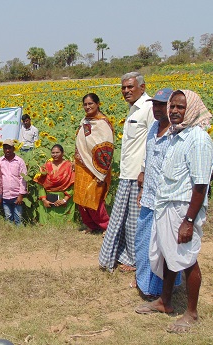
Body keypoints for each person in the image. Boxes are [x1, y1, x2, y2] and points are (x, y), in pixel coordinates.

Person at [135, 90, 213, 334]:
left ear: (191, 109)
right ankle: (165, 302)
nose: (175, 111)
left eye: (180, 107)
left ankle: (191, 313)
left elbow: (200, 185)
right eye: (173, 107)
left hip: (182, 207)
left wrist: (189, 220)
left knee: (187, 258)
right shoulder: (176, 134)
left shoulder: (198, 139)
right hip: (166, 204)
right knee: (169, 254)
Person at [99, 72, 154, 272]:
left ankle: (135, 260)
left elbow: (152, 142)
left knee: (134, 221)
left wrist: (144, 171)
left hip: (137, 175)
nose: (126, 91)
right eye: (123, 88)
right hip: (127, 173)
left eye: (130, 87)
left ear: (142, 87)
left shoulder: (148, 108)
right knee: (125, 218)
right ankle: (126, 256)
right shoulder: (133, 109)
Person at [133, 88, 181, 297]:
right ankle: (144, 283)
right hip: (150, 197)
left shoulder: (177, 133)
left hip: (168, 200)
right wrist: (142, 180)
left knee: (164, 247)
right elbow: (148, 156)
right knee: (144, 241)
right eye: (155, 104)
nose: (157, 109)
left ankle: (162, 289)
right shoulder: (153, 128)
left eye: (162, 105)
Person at [74, 93, 114, 235]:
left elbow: (107, 147)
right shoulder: (84, 121)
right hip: (82, 165)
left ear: (98, 104)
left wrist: (101, 171)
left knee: (94, 197)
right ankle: (91, 225)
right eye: (85, 104)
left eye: (90, 103)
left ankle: (106, 226)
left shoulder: (103, 123)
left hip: (97, 168)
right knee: (81, 196)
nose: (87, 106)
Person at [34, 144, 75, 224]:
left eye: (57, 152)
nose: (55, 155)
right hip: (48, 199)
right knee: (47, 224)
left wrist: (64, 199)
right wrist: (44, 200)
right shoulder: (46, 166)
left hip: (64, 198)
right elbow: (40, 184)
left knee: (63, 224)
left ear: (63, 153)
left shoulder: (69, 166)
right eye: (53, 153)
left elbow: (72, 183)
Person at [0, 139, 27, 225]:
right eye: (5, 148)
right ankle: (10, 235)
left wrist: (21, 195)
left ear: (13, 149)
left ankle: (19, 235)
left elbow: (23, 179)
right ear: (3, 149)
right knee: (8, 217)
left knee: (18, 217)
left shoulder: (20, 161)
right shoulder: (0, 161)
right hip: (5, 195)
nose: (7, 150)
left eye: (9, 148)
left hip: (16, 195)